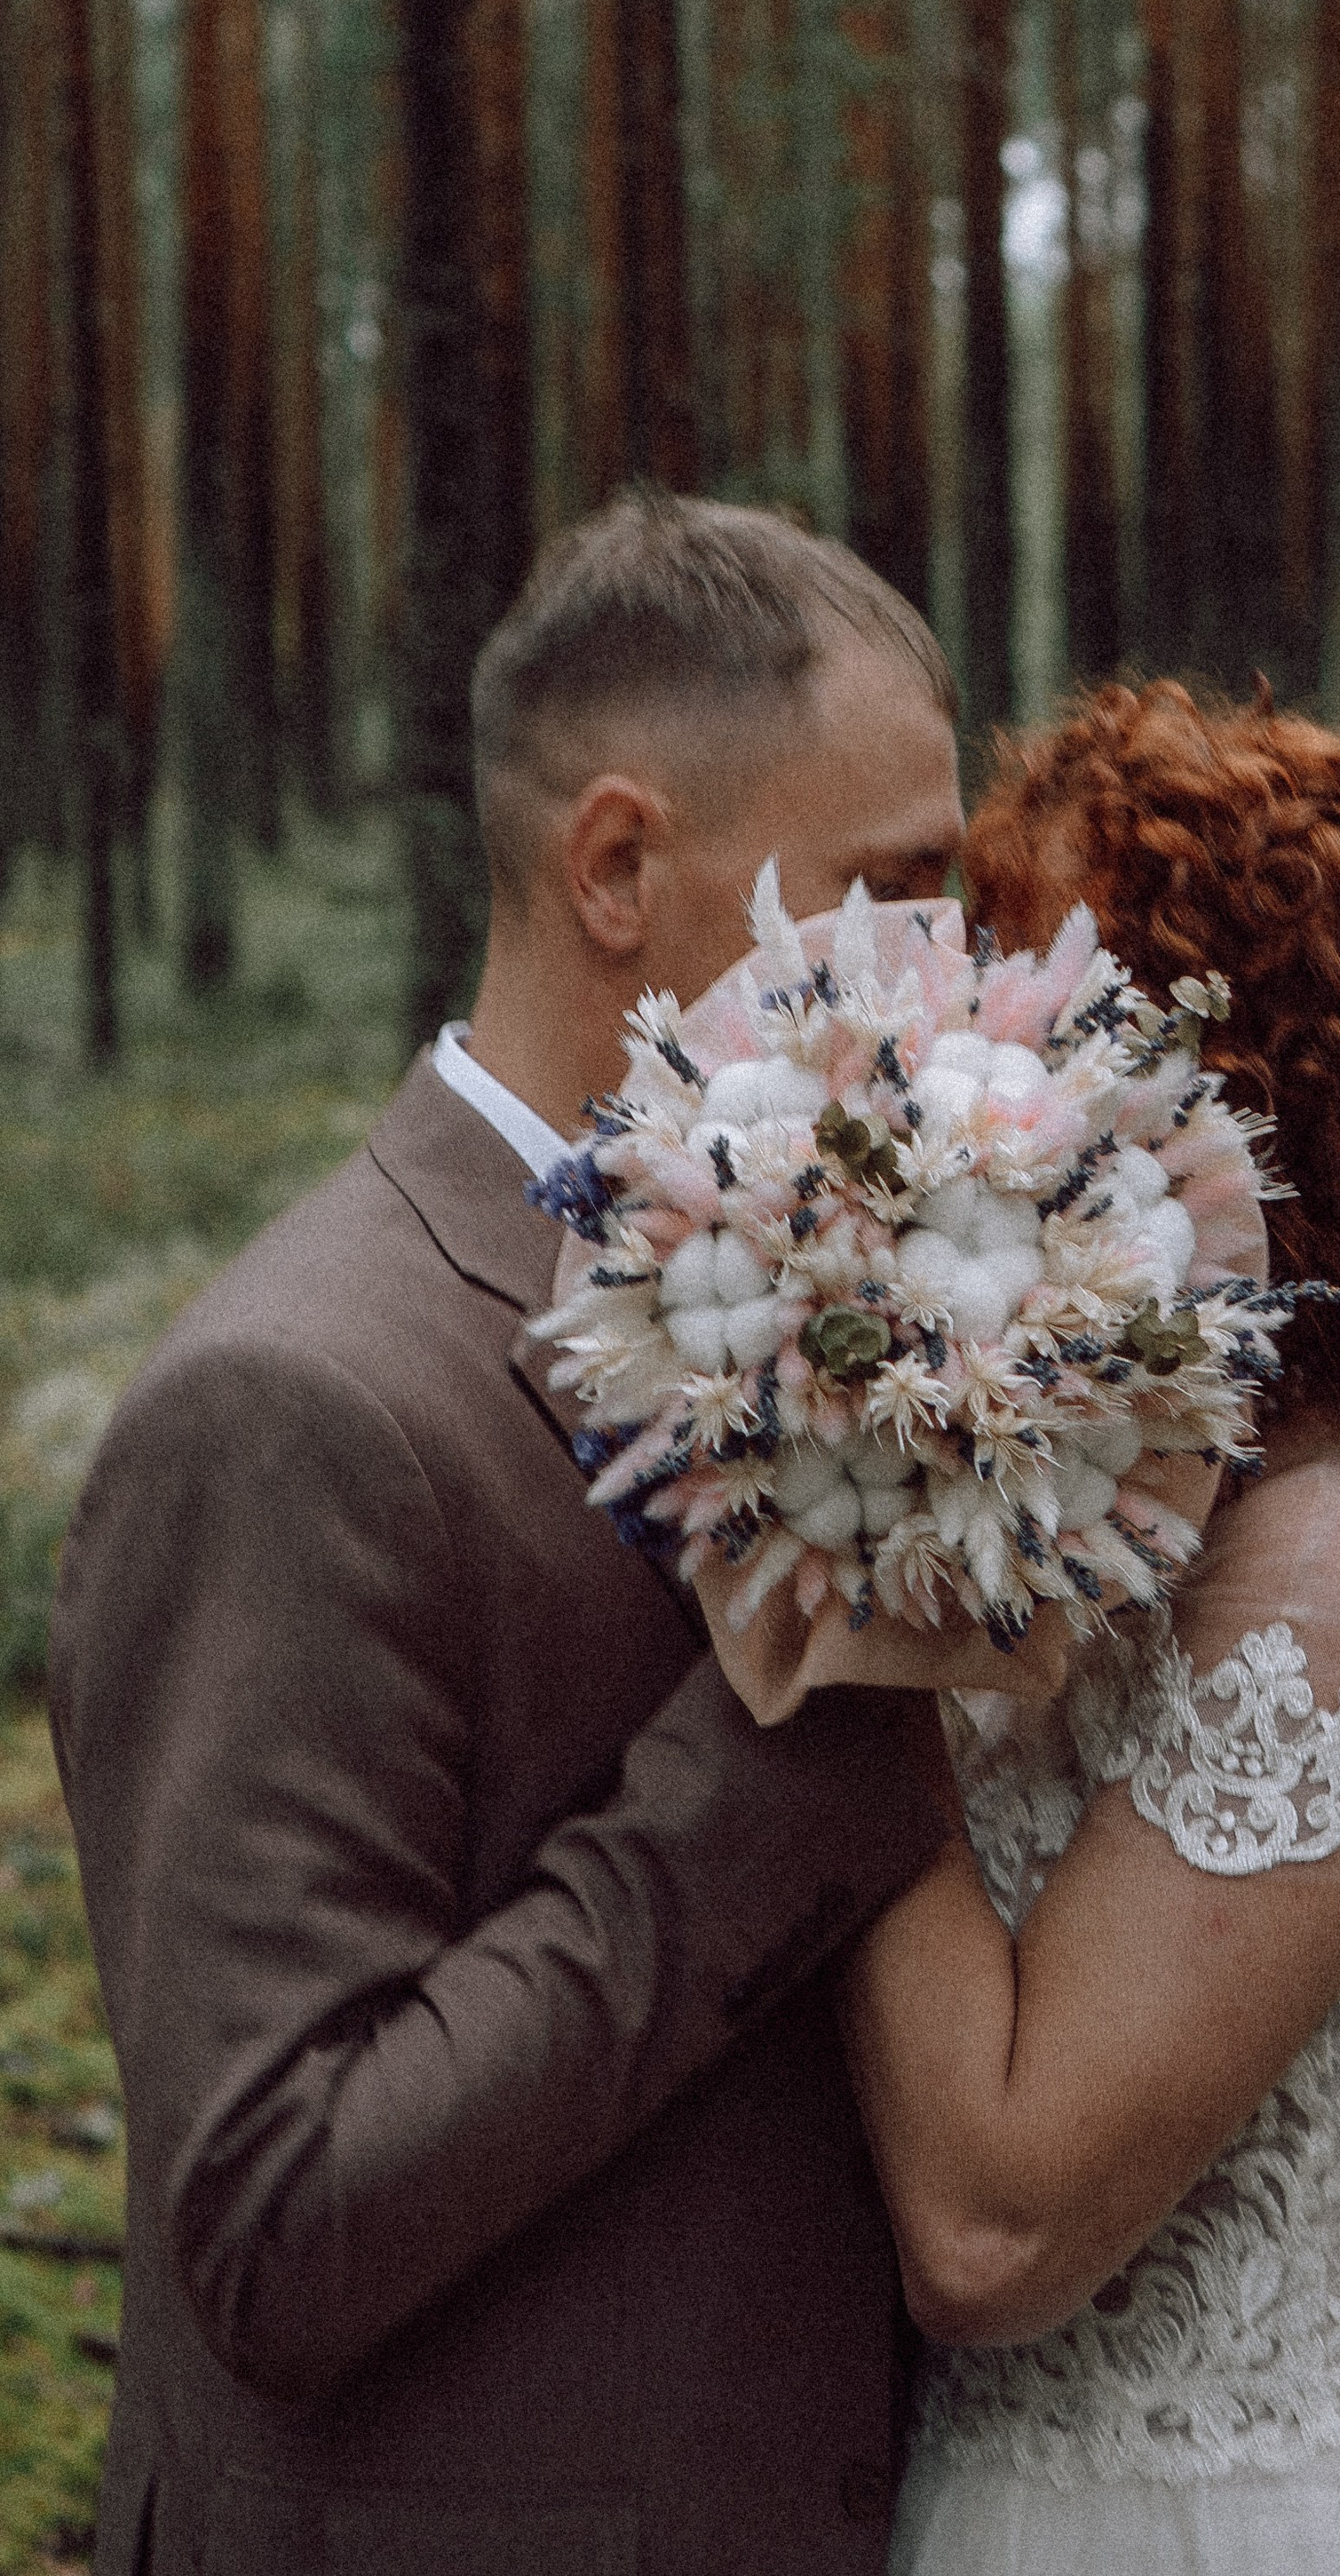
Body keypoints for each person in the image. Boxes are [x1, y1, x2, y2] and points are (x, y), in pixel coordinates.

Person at [48, 490, 980, 2576]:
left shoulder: (836, 1298)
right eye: (890, 888)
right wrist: (782, 1772)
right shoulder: (296, 1407)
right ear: (621, 867)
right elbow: (273, 2223)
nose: (952, 974)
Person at [710, 680, 1340, 2575]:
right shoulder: (1155, 1502)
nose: (991, 1090)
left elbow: (995, 2227)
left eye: (1066, 1023)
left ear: (1271, 1096)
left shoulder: (1339, 1577)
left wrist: (832, 1598)